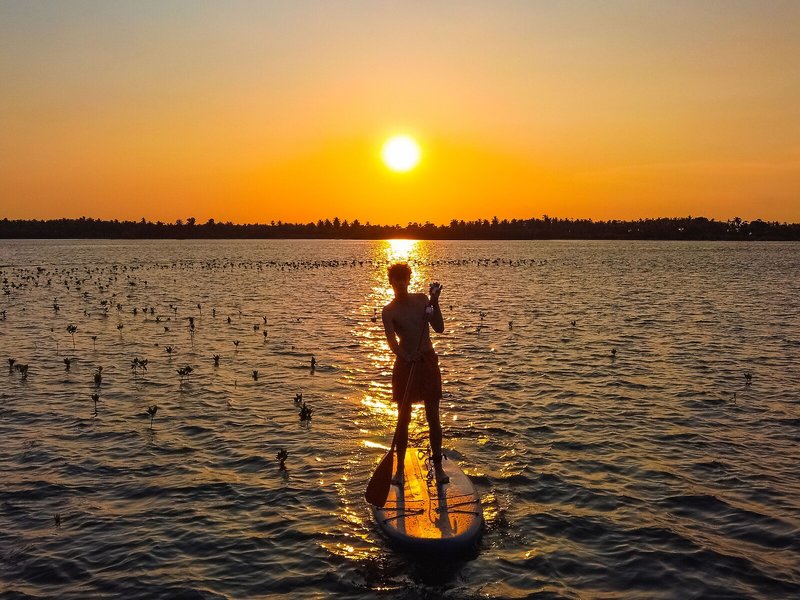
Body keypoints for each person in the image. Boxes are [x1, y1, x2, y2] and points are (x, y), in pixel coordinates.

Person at [381, 262, 448, 485]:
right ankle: (399, 470)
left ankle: (438, 467)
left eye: (403, 279)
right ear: (390, 283)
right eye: (395, 280)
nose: (400, 283)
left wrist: (435, 302)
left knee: (433, 417)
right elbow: (391, 341)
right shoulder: (389, 311)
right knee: (403, 418)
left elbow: (439, 327)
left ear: (409, 280)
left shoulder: (422, 300)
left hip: (427, 362)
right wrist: (405, 355)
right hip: (405, 364)